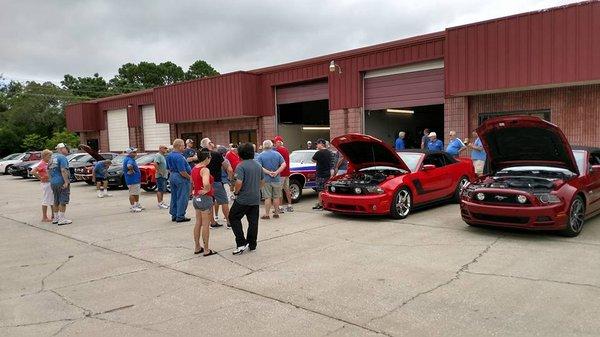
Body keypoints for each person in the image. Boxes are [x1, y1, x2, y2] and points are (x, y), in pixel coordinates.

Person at [229, 142, 264, 255]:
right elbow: (262, 182)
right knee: (253, 221)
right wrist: (254, 188)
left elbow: (238, 182)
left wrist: (236, 192)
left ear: (240, 153)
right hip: (255, 197)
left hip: (243, 198)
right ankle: (252, 243)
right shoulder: (258, 165)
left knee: (233, 217)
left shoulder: (241, 165)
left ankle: (241, 242)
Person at [200, 138, 233, 228]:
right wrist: (230, 179)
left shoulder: (199, 155)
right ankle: (229, 222)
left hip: (204, 182)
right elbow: (228, 168)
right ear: (209, 144)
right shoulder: (216, 154)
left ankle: (212, 222)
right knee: (224, 201)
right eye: (211, 142)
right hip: (216, 182)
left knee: (210, 202)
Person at [191, 149, 217, 256]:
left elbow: (192, 182)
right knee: (206, 224)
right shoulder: (205, 170)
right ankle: (206, 249)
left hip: (196, 197)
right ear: (207, 158)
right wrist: (207, 189)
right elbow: (206, 182)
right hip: (205, 198)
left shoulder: (194, 168)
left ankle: (197, 246)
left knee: (198, 223)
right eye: (210, 157)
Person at [257, 139, 286, 219]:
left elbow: (259, 167)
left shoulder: (260, 155)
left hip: (266, 179)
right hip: (276, 179)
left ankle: (267, 214)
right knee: (276, 197)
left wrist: (268, 172)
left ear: (263, 146)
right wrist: (276, 172)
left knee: (267, 197)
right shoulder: (277, 154)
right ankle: (276, 213)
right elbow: (284, 164)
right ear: (271, 145)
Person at [167, 139, 192, 222]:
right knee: (182, 197)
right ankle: (180, 216)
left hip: (172, 176)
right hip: (181, 177)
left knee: (174, 196)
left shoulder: (169, 155)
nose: (184, 147)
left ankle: (174, 214)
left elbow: (168, 168)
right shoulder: (179, 157)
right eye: (183, 145)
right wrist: (190, 178)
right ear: (179, 146)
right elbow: (182, 171)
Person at [49, 143, 72, 225]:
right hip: (61, 181)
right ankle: (62, 219)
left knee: (56, 200)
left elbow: (48, 169)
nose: (67, 150)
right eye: (66, 148)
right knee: (63, 200)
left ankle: (55, 218)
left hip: (53, 182)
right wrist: (66, 181)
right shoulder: (62, 158)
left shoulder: (52, 157)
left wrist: (51, 180)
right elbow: (63, 170)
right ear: (62, 149)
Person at [31, 149, 54, 222]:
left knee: (52, 200)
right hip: (46, 184)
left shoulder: (47, 163)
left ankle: (53, 215)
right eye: (49, 156)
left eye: (51, 155)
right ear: (44, 156)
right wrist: (40, 178)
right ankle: (44, 217)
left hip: (50, 183)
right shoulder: (42, 163)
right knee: (46, 200)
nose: (50, 157)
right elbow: (33, 171)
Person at [311, 139, 332, 210]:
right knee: (326, 189)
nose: (316, 145)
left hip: (320, 174)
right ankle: (326, 203)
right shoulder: (329, 152)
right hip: (327, 173)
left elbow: (313, 160)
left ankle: (320, 204)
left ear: (321, 144)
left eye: (317, 144)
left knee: (320, 190)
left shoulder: (318, 153)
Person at [274, 136, 293, 212]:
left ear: (279, 142)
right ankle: (289, 205)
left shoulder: (278, 150)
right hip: (286, 172)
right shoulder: (285, 149)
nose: (275, 144)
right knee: (287, 189)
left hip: (281, 173)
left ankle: (280, 207)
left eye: (275, 142)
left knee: (279, 190)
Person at [123, 147, 143, 212]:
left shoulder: (130, 158)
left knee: (136, 193)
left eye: (135, 152)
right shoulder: (130, 159)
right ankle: (133, 207)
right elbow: (129, 165)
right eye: (134, 152)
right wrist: (131, 170)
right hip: (132, 180)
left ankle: (137, 204)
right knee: (132, 193)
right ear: (130, 153)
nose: (136, 153)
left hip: (135, 179)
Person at [153, 145, 169, 209]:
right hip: (160, 176)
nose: (166, 149)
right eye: (164, 148)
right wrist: (159, 171)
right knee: (160, 189)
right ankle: (160, 203)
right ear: (160, 149)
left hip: (164, 175)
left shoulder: (162, 156)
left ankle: (162, 202)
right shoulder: (158, 155)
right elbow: (155, 163)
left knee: (162, 189)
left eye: (166, 148)